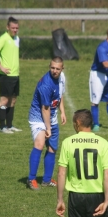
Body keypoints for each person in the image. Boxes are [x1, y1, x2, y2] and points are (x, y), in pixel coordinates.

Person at [56, 109, 108, 217]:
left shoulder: (68, 142)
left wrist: (60, 200)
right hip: (97, 197)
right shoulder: (103, 143)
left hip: (76, 198)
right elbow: (107, 175)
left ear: (78, 123)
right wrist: (106, 201)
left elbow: (61, 173)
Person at [27, 56, 66, 190]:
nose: (54, 71)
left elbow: (60, 95)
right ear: (49, 67)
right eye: (52, 68)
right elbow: (45, 108)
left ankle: (47, 180)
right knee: (39, 143)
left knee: (53, 148)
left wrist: (62, 111)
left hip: (52, 116)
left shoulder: (62, 78)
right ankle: (31, 179)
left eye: (57, 69)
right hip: (38, 117)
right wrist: (48, 128)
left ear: (62, 69)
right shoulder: (46, 85)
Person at [0, 16, 22, 134]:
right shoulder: (3, 38)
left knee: (12, 100)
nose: (15, 30)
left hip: (15, 75)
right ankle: (2, 127)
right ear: (7, 27)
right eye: (13, 28)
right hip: (6, 76)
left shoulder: (17, 38)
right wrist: (1, 67)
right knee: (4, 100)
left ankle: (9, 125)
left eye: (17, 28)